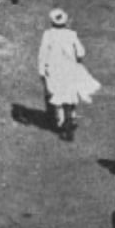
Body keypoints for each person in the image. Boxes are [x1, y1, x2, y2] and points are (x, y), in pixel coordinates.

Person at [38, 8, 99, 141]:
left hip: (54, 70)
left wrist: (42, 70)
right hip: (70, 69)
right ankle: (71, 115)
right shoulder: (71, 34)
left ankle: (61, 119)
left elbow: (43, 53)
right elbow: (81, 51)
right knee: (71, 91)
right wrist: (77, 58)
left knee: (56, 93)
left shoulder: (48, 35)